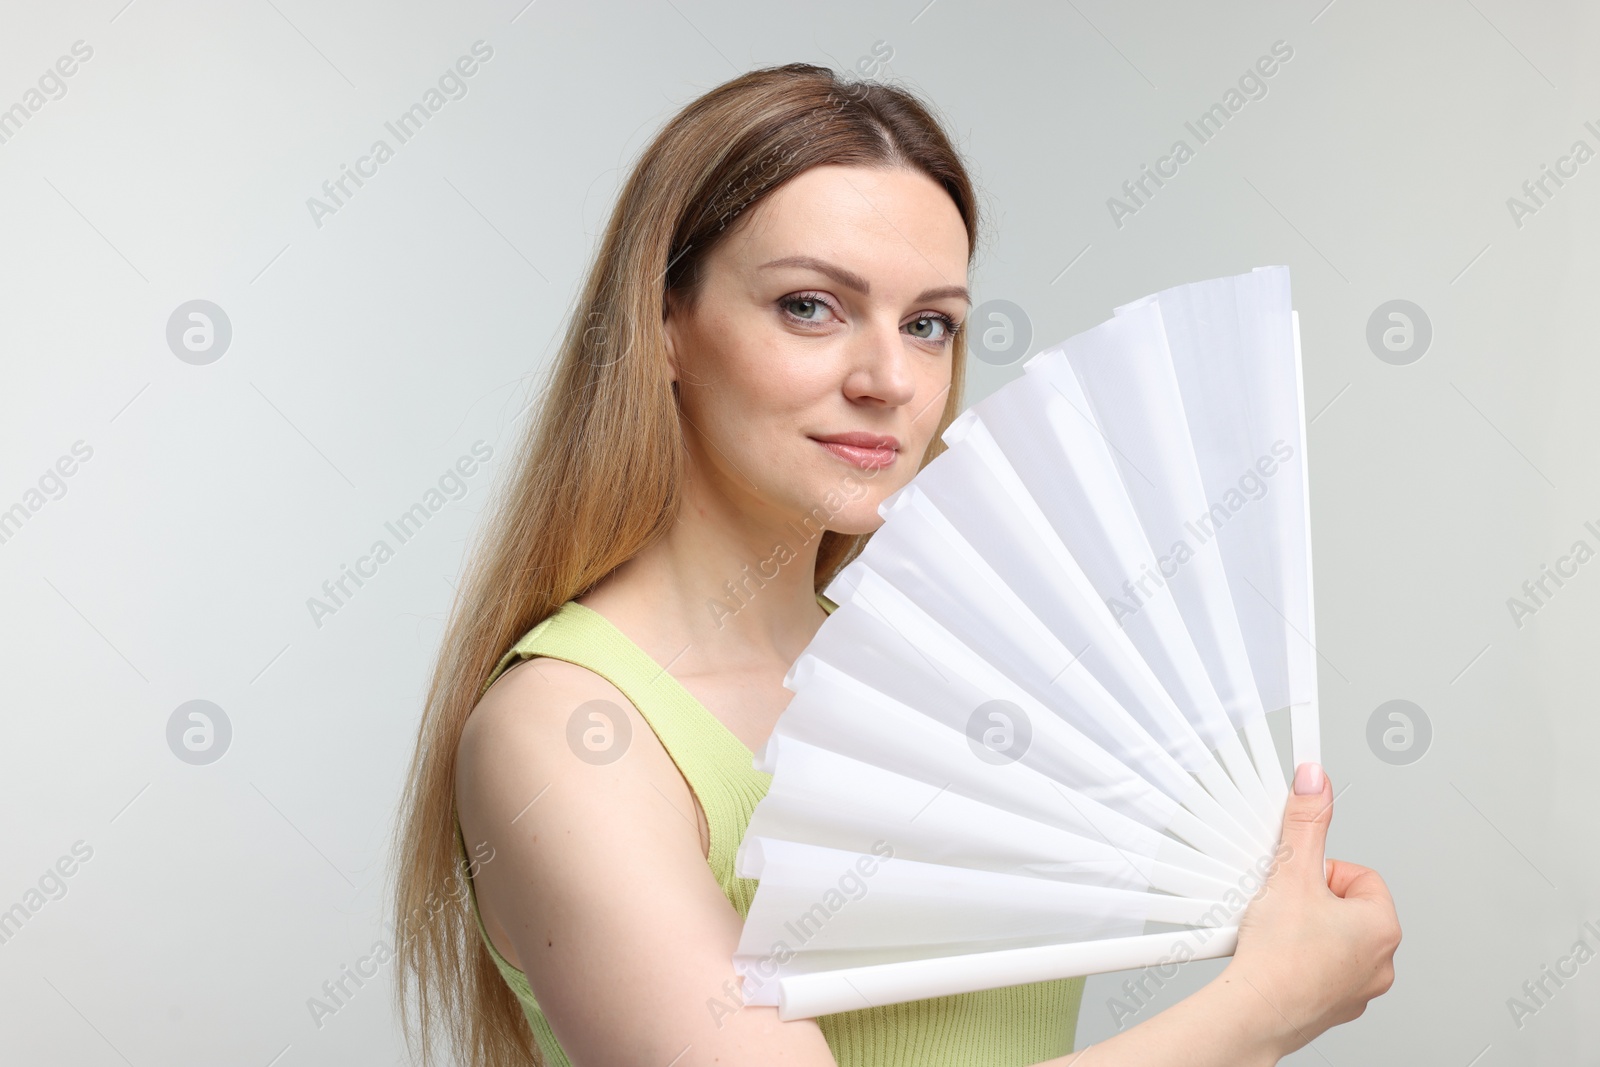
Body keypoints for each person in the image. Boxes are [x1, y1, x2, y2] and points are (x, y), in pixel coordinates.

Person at [390, 62, 1400, 1067]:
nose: (890, 381)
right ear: (666, 327)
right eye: (810, 306)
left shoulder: (952, 686)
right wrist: (1265, 1006)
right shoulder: (568, 730)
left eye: (928, 324)